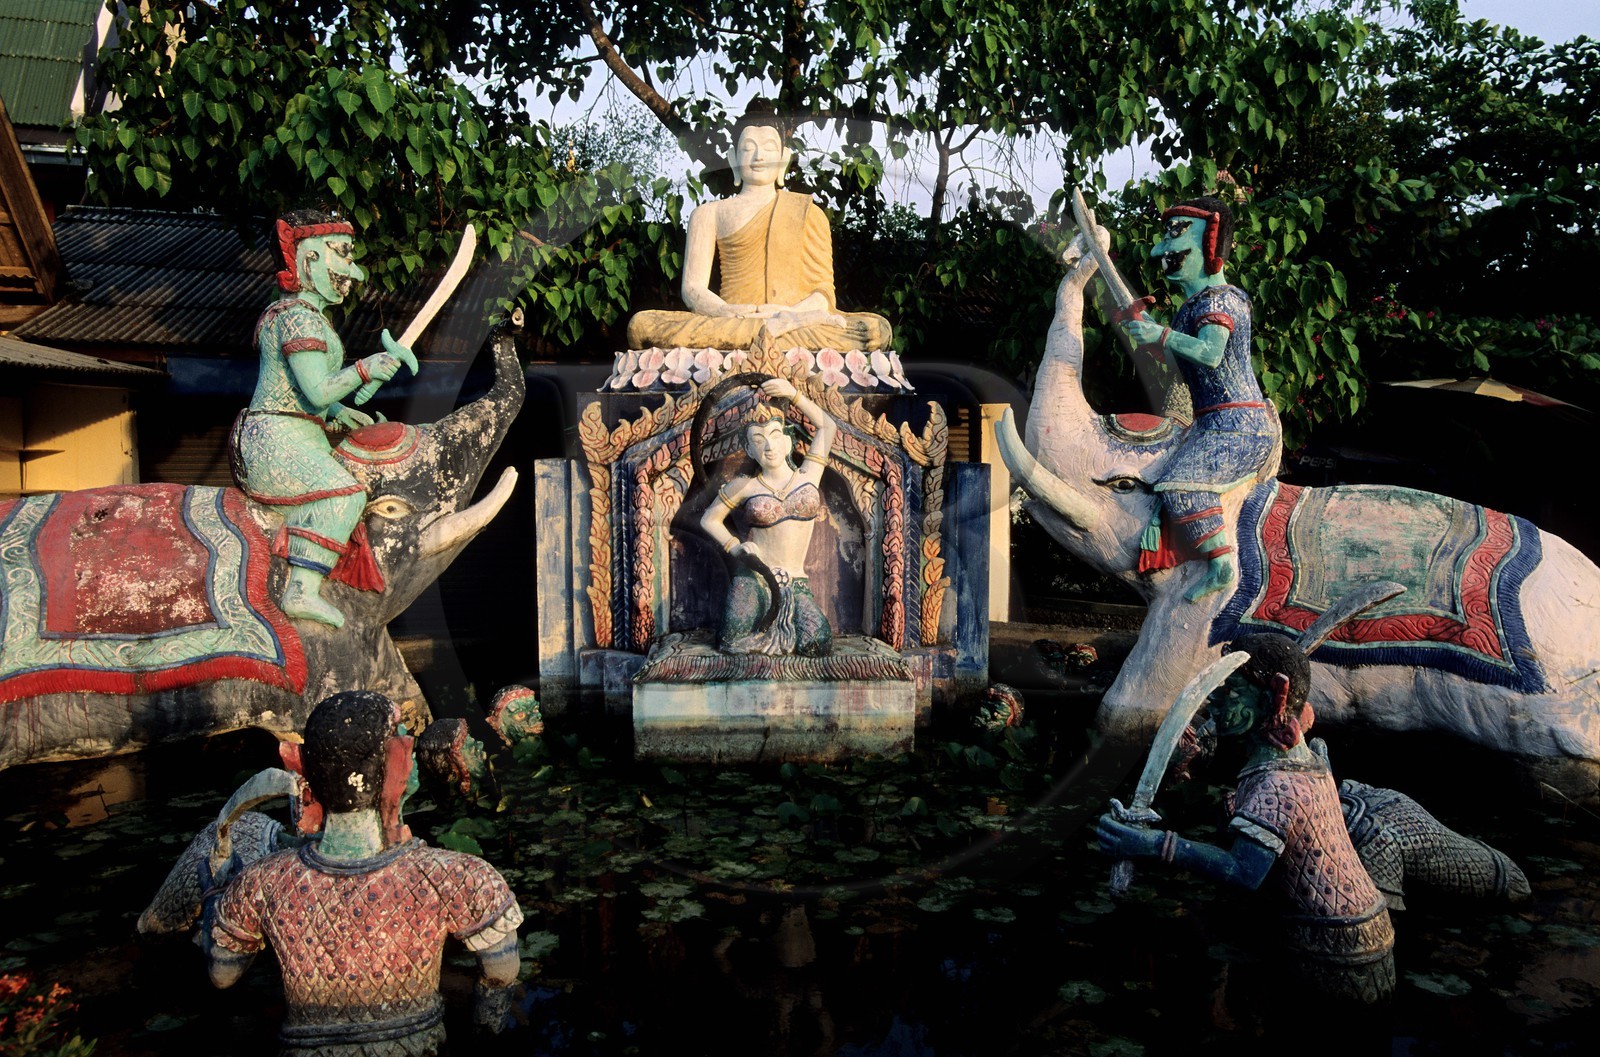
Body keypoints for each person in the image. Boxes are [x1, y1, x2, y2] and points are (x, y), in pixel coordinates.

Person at [203, 691, 521, 1055]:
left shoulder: (261, 881)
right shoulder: (459, 877)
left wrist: (217, 893)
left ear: (304, 768)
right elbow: (502, 972)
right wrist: (483, 1037)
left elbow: (222, 975)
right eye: (405, 740)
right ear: (397, 762)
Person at [1095, 633, 1395, 1006]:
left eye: (1232, 690)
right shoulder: (1302, 758)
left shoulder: (1277, 784)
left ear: (1275, 697)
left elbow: (1245, 871)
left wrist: (1154, 844)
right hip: (1359, 929)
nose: (1216, 699)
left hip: (1335, 949)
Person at [232, 211, 416, 628]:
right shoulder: (297, 317)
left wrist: (339, 412)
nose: (352, 270)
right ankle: (301, 590)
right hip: (275, 437)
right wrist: (365, 369)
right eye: (343, 254)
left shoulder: (306, 316)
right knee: (346, 496)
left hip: (296, 431)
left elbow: (306, 393)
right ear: (309, 258)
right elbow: (316, 390)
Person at [626, 102, 892, 352]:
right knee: (642, 326)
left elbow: (823, 295)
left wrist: (789, 315)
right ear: (733, 158)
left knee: (874, 330)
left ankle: (774, 329)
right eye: (748, 148)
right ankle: (767, 332)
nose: (759, 155)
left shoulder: (807, 212)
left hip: (795, 321)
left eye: (768, 147)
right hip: (731, 321)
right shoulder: (708, 213)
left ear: (784, 158)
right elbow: (693, 289)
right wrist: (729, 312)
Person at [1118, 197, 1280, 602]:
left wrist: (1161, 335)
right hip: (1209, 424)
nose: (1161, 250)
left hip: (1239, 426)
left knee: (1180, 488)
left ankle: (1222, 565)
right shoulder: (1192, 308)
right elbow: (1177, 361)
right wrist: (1147, 332)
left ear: (1209, 243)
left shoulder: (1220, 301)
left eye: (1175, 235)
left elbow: (1210, 353)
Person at [698, 377, 837, 655]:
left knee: (817, 641)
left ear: (788, 441)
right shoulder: (745, 485)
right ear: (750, 450)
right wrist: (736, 547)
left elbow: (827, 426)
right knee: (731, 639)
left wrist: (794, 394)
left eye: (774, 436)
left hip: (795, 582)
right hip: (756, 577)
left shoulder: (809, 475)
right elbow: (709, 519)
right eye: (758, 441)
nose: (769, 447)